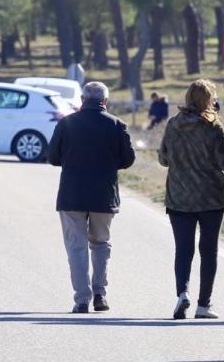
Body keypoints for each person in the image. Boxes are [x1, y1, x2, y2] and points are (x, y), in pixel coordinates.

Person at [49, 81, 136, 314]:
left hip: (71, 195)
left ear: (82, 100)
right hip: (103, 195)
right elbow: (128, 160)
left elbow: (52, 157)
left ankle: (81, 299)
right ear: (105, 102)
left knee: (76, 247)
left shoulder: (66, 124)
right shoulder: (117, 125)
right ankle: (100, 293)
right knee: (100, 244)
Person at [158, 79, 224, 320]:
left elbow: (163, 159)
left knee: (183, 250)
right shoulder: (213, 126)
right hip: (211, 198)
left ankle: (182, 293)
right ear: (210, 100)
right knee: (208, 251)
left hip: (179, 197)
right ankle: (204, 304)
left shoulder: (173, 125)